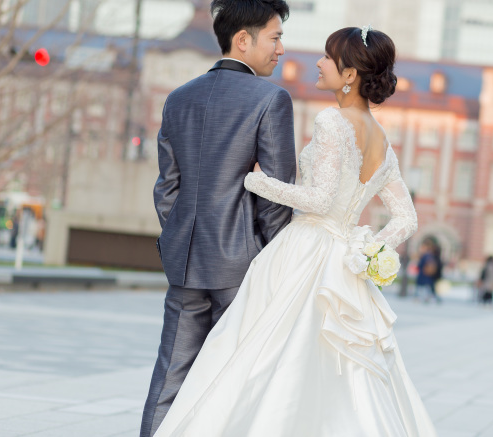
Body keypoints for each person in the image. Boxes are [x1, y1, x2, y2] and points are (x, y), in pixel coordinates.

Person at [151, 25, 435, 436]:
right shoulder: (383, 141)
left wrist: (255, 181)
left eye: (326, 56)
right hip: (344, 262)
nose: (317, 63)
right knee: (331, 371)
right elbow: (406, 218)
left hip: (306, 249)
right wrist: (365, 250)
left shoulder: (332, 121)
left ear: (350, 74)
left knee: (258, 356)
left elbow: (319, 199)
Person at [141, 0, 296, 437]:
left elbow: (167, 188)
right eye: (275, 37)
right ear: (243, 40)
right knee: (239, 381)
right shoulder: (270, 100)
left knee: (169, 377)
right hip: (242, 268)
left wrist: (177, 240)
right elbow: (276, 194)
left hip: (184, 263)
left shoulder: (178, 98)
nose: (281, 49)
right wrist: (272, 258)